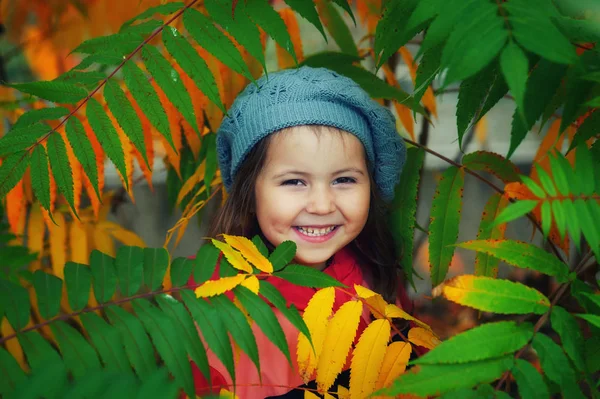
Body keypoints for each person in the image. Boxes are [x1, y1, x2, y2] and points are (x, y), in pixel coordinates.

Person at [189, 66, 416, 398]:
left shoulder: (377, 280)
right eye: (294, 181)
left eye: (344, 180)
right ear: (249, 193)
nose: (322, 205)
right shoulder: (214, 305)